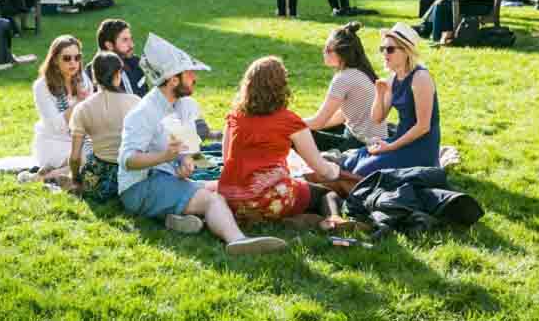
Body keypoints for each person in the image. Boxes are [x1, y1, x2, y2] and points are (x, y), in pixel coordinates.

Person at [118, 33, 286, 255]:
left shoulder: (185, 105)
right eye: (189, 73)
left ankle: (175, 219)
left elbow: (188, 149)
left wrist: (186, 161)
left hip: (166, 177)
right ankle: (237, 240)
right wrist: (165, 157)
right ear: (173, 80)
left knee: (223, 187)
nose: (194, 77)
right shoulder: (143, 112)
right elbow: (128, 161)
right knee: (212, 199)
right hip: (139, 187)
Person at [218, 56, 341, 222]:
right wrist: (334, 170)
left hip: (231, 201)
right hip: (271, 199)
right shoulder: (290, 121)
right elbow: (320, 168)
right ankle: (333, 220)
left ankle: (291, 219)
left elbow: (227, 161)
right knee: (326, 193)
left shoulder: (234, 118)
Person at [340, 24, 441, 177]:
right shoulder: (394, 78)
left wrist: (390, 147)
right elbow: (377, 118)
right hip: (399, 139)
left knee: (361, 172)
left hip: (420, 147)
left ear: (406, 51)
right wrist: (380, 94)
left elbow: (423, 127)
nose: (384, 54)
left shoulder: (421, 78)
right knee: (349, 163)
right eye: (383, 49)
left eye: (390, 49)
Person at [304, 23, 388, 153]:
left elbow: (317, 122)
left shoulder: (343, 78)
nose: (323, 52)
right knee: (304, 129)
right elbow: (343, 116)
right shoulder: (361, 71)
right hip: (368, 138)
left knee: (295, 136)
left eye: (327, 49)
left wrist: (287, 124)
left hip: (361, 145)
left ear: (341, 52)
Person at [69, 52, 140, 201]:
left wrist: (76, 179)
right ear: (118, 74)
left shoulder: (83, 109)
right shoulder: (135, 102)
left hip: (97, 183)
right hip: (132, 178)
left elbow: (75, 157)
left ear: (94, 76)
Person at [33, 35, 94, 172]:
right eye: (67, 58)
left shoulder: (82, 78)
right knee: (85, 161)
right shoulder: (42, 86)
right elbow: (57, 126)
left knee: (103, 155)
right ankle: (42, 177)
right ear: (55, 60)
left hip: (81, 138)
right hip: (54, 141)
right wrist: (79, 101)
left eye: (77, 57)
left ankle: (51, 174)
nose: (73, 62)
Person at [90, 19, 149, 98]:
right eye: (125, 40)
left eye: (131, 39)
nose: (132, 45)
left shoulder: (135, 62)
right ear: (109, 45)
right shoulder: (95, 72)